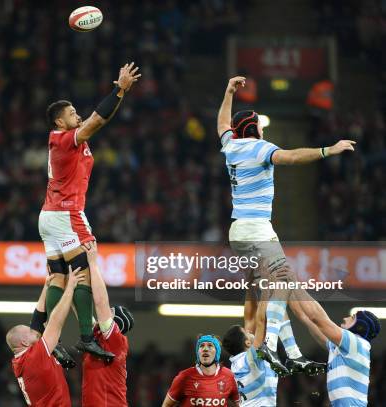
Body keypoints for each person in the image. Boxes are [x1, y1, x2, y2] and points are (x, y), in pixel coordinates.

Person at [217, 75, 356, 374]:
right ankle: (268, 343)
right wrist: (326, 151)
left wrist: (229, 93)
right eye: (261, 125)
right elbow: (291, 157)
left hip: (238, 230)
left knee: (271, 290)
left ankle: (291, 353)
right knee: (279, 285)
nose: (264, 128)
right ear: (254, 128)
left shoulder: (231, 147)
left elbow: (222, 126)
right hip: (257, 228)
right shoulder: (259, 148)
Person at [39, 62, 140, 360]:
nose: (77, 115)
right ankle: (86, 335)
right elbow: (97, 121)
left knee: (58, 276)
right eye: (71, 113)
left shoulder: (71, 140)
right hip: (67, 214)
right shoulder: (61, 139)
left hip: (51, 215)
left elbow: (93, 122)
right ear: (59, 122)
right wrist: (120, 89)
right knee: (82, 272)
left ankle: (50, 337)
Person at [276, 266, 381, 407]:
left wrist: (294, 282)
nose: (345, 318)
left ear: (360, 326)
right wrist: (285, 289)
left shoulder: (357, 343)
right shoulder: (343, 348)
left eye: (352, 317)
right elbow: (306, 318)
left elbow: (316, 317)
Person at [7, 267, 84, 407]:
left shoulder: (22, 359)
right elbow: (56, 321)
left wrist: (46, 285)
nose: (34, 331)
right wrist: (70, 287)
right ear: (24, 342)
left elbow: (37, 320)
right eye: (30, 331)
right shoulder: (33, 358)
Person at [81, 241, 134, 406]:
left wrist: (93, 263)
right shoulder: (100, 339)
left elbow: (100, 302)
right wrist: (72, 279)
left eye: (110, 311)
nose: (104, 313)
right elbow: (81, 309)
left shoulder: (116, 341)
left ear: (116, 323)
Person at [161, 335, 240, 407]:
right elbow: (167, 405)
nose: (205, 349)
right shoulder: (184, 377)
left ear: (217, 352)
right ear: (198, 352)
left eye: (210, 345)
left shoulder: (229, 376)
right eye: (201, 346)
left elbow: (241, 404)